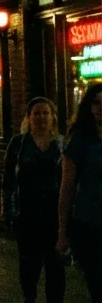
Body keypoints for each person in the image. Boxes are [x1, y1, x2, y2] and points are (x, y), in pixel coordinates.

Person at [2, 97, 64, 303]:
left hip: (55, 214)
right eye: (36, 113)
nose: (41, 117)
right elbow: (8, 178)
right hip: (26, 214)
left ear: (53, 117)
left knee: (55, 265)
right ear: (29, 117)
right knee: (29, 265)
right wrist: (6, 206)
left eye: (45, 112)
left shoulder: (61, 145)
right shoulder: (19, 144)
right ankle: (29, 298)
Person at [58, 82, 102, 301]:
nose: (101, 107)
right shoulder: (80, 140)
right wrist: (62, 230)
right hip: (90, 221)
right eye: (96, 102)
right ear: (89, 106)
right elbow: (67, 187)